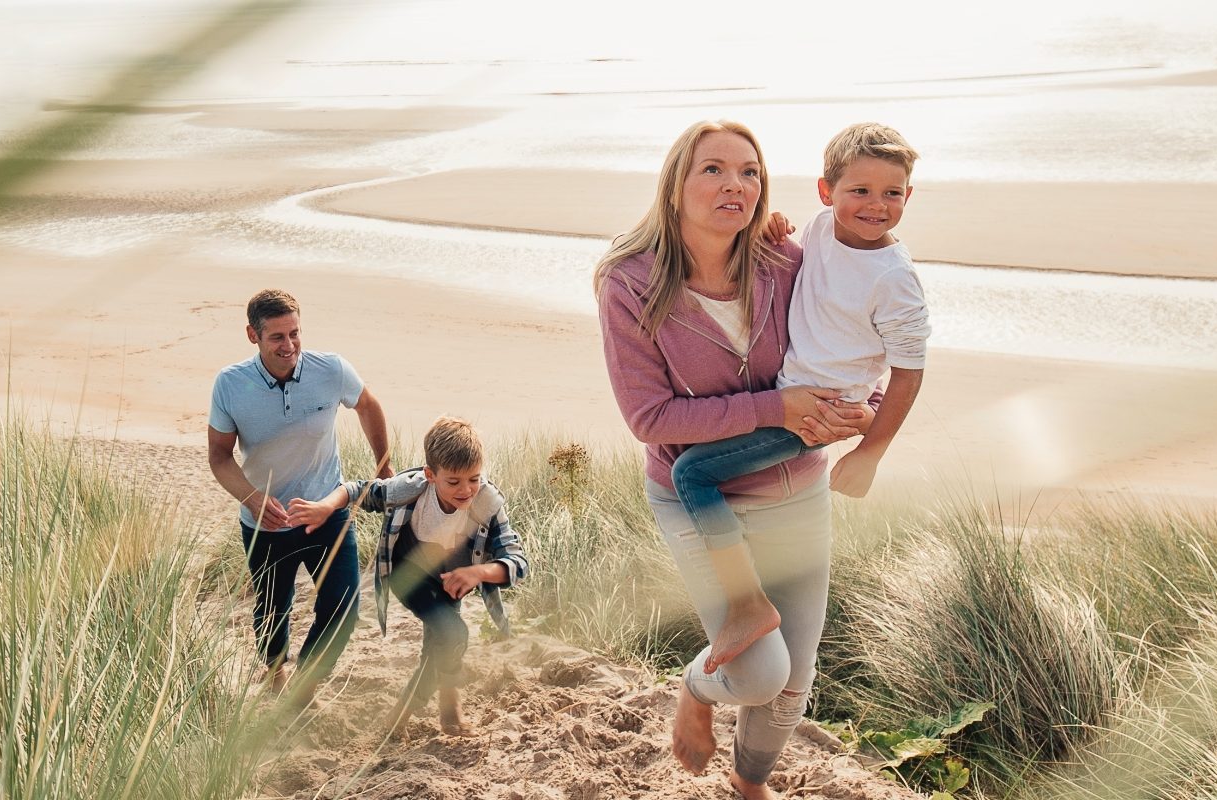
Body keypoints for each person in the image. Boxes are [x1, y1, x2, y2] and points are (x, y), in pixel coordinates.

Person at [595, 120, 873, 799]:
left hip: (797, 489)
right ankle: (696, 685)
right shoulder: (629, 284)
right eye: (714, 169)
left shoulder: (785, 262)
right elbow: (650, 419)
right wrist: (775, 409)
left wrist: (870, 410)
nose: (736, 185)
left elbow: (853, 340)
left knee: (794, 681)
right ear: (675, 186)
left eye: (749, 171)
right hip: (696, 495)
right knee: (755, 676)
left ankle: (748, 786)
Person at [666, 121, 929, 662]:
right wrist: (775, 229)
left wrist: (871, 449)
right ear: (826, 192)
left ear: (909, 196)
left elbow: (908, 369)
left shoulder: (895, 280)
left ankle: (747, 605)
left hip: (816, 418)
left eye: (892, 193)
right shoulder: (819, 227)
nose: (875, 205)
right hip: (788, 394)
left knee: (691, 473)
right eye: (860, 190)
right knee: (697, 470)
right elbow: (797, 262)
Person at [207, 288, 392, 709]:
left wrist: (385, 470)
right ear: (252, 335)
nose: (289, 346)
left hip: (327, 512)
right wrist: (253, 498)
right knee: (272, 614)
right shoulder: (230, 385)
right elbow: (219, 457)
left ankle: (304, 684)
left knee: (343, 607)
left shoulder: (331, 370)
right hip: (266, 525)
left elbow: (367, 404)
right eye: (277, 337)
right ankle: (275, 673)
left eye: (295, 334)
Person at [288, 415, 529, 738]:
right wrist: (325, 507)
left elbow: (517, 560)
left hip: (451, 581)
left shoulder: (487, 502)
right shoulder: (409, 491)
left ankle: (444, 713)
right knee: (454, 634)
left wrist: (481, 571)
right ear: (430, 475)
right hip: (408, 574)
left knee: (441, 641)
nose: (466, 490)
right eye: (453, 482)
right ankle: (406, 715)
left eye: (474, 479)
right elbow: (358, 489)